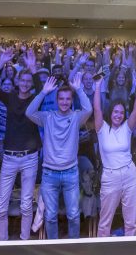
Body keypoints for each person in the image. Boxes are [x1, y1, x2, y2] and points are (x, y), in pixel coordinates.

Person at [26, 73, 93, 239]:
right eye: (61, 99)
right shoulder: (48, 117)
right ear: (57, 100)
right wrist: (42, 92)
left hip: (71, 172)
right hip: (49, 174)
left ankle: (74, 246)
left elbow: (89, 109)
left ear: (71, 100)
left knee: (73, 215)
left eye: (67, 99)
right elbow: (29, 112)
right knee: (50, 216)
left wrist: (79, 90)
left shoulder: (76, 117)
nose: (64, 102)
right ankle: (53, 247)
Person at [0, 48, 42, 241]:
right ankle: (3, 242)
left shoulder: (36, 100)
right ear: (17, 81)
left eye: (28, 81)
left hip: (30, 157)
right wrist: (0, 64)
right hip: (9, 157)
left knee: (26, 204)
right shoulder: (10, 97)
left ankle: (24, 240)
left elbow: (42, 90)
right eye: (22, 80)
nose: (25, 84)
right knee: (1, 206)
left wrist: (33, 69)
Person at [93, 70, 136, 236]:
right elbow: (96, 109)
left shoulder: (127, 129)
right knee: (104, 223)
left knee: (131, 222)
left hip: (130, 175)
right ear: (111, 112)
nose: (118, 115)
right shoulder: (102, 129)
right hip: (110, 177)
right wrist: (97, 87)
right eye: (116, 112)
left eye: (121, 113)